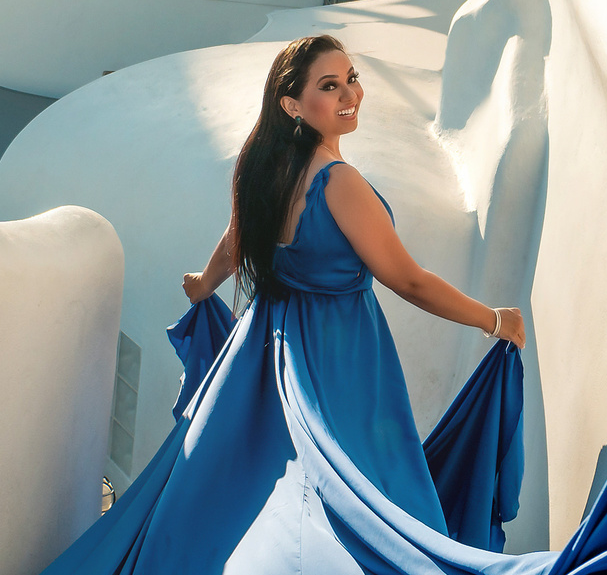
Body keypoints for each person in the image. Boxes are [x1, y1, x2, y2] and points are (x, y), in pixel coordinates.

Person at [182, 34, 524, 531]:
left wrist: (204, 284)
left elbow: (238, 237)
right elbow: (409, 281)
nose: (350, 95)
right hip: (340, 355)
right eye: (329, 85)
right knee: (364, 490)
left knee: (280, 483)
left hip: (271, 343)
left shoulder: (264, 166)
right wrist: (495, 321)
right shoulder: (339, 182)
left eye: (351, 79)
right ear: (292, 105)